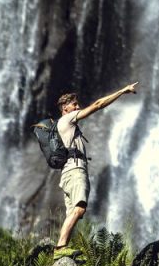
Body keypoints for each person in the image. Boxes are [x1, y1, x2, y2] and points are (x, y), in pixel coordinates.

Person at [54, 82, 138, 256]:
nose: (78, 107)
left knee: (73, 212)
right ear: (65, 108)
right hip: (75, 170)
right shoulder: (67, 120)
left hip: (68, 171)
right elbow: (98, 105)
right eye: (74, 105)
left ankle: (61, 251)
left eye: (77, 104)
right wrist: (122, 91)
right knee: (79, 208)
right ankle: (61, 247)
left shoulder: (63, 125)